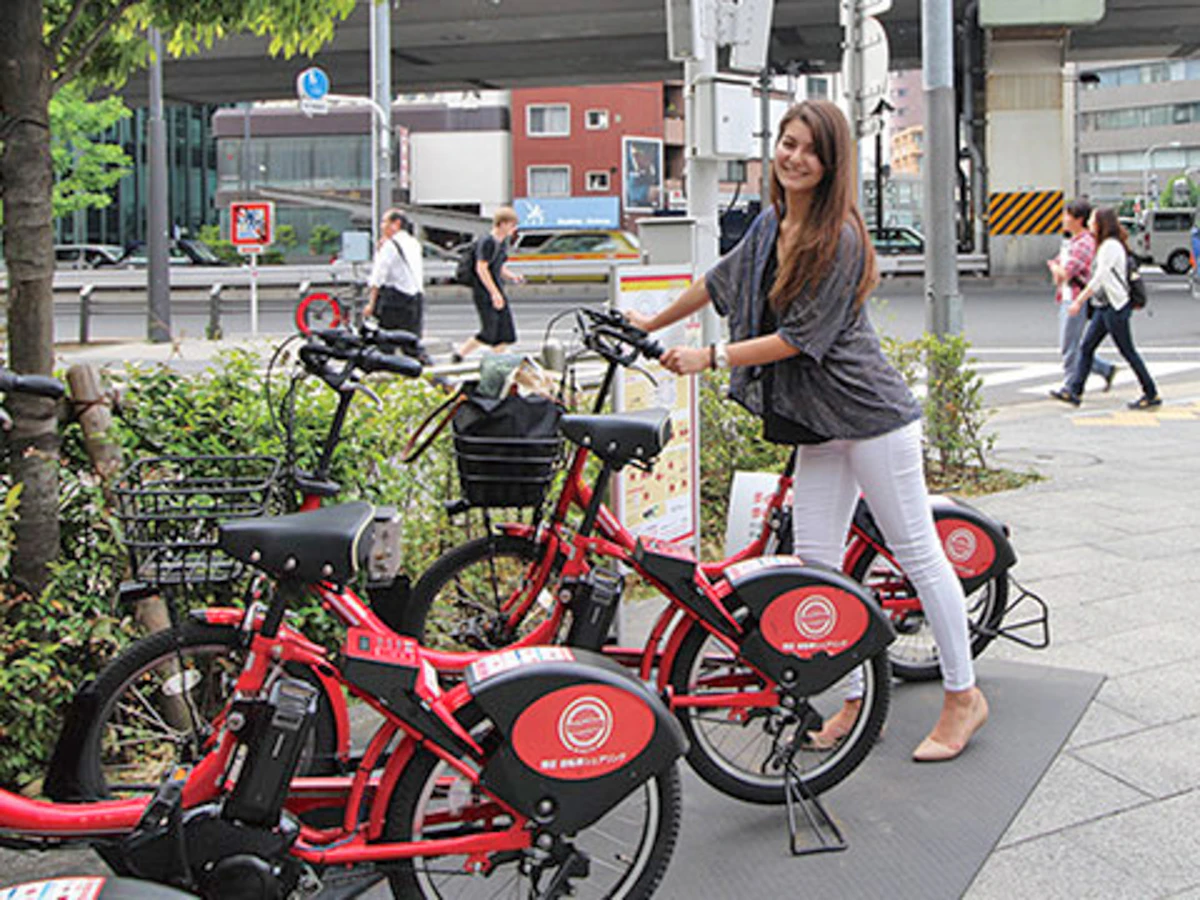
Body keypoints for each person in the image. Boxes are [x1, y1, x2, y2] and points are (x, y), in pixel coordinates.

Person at [628, 99, 987, 763]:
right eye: (786, 143)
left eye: (809, 150)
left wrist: (709, 358)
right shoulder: (771, 224)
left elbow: (799, 339)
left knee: (916, 554)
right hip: (816, 425)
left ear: (830, 164)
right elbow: (716, 281)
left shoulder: (839, 238)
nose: (793, 157)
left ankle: (963, 696)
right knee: (817, 564)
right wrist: (645, 325)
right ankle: (854, 699)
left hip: (872, 419)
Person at [1051, 207, 1160, 409]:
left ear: (1101, 223)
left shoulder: (1110, 246)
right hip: (1104, 307)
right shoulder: (1104, 245)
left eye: (1093, 220)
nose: (1090, 223)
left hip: (1115, 308)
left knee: (1128, 352)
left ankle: (1151, 392)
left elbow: (1099, 278)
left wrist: (1079, 301)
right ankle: (1074, 391)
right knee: (1086, 348)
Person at [1047, 200, 1116, 394]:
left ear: (1079, 219)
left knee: (1069, 346)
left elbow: (1065, 272)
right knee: (1073, 345)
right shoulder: (1072, 241)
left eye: (1067, 215)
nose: (1064, 219)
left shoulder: (1085, 243)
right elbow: (1058, 273)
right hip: (1067, 296)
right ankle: (1105, 369)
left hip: (1076, 298)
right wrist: (1056, 269)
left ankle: (1070, 386)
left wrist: (1055, 267)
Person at [452, 207, 524, 362]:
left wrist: (513, 277)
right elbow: (481, 268)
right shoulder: (487, 242)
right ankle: (459, 355)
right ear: (502, 224)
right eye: (512, 225)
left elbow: (498, 266)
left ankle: (496, 360)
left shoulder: (502, 243)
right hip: (484, 291)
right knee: (489, 331)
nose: (514, 229)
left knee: (506, 333)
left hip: (496, 290)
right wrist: (494, 293)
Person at [364, 209, 425, 338]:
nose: (381, 226)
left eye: (384, 222)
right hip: (416, 298)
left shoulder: (390, 245)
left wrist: (371, 304)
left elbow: (378, 276)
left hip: (395, 300)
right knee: (411, 342)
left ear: (396, 224)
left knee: (386, 342)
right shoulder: (414, 243)